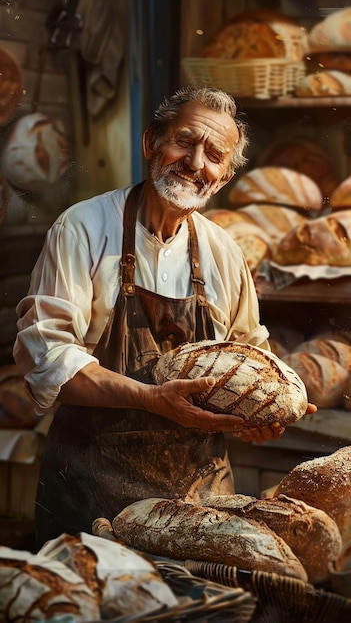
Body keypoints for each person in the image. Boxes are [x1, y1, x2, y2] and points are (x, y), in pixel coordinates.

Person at [13, 86, 316, 549]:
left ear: (224, 177)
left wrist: (257, 413)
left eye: (215, 155)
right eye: (185, 142)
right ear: (151, 143)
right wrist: (152, 399)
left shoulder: (224, 252)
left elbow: (250, 357)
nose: (196, 163)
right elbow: (46, 358)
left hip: (201, 506)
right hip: (94, 494)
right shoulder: (83, 228)